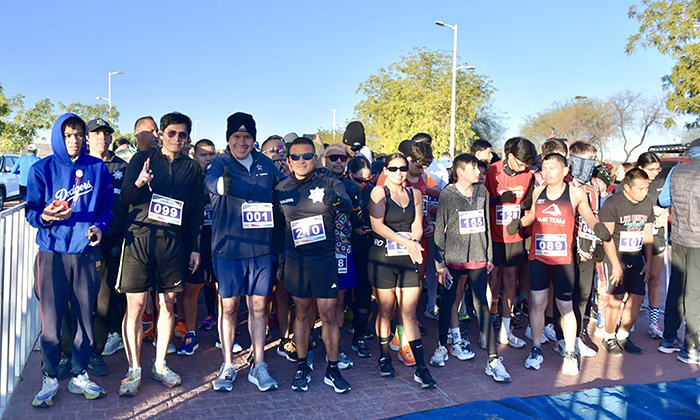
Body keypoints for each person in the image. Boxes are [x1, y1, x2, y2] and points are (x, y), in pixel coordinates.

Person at [27, 113, 113, 407]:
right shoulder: (41, 169)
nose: (74, 140)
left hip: (87, 255)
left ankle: (79, 373)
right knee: (50, 322)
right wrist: (46, 216)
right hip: (51, 254)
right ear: (57, 137)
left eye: (78, 134)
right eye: (67, 135)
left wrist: (99, 228)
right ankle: (50, 377)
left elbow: (106, 207)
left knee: (85, 319)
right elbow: (31, 212)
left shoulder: (98, 168)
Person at [117, 112, 204, 396]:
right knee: (137, 306)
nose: (177, 139)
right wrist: (139, 182)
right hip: (140, 241)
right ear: (161, 135)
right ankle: (134, 369)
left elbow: (193, 213)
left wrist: (194, 247)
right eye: (172, 133)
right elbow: (125, 199)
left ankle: (160, 364)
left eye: (182, 135)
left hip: (172, 243)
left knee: (167, 304)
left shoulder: (192, 169)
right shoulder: (142, 160)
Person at [508, 153, 608, 376]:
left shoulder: (575, 193)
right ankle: (536, 349)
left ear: (565, 171)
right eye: (544, 168)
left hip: (563, 261)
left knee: (565, 306)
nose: (546, 172)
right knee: (538, 304)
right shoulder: (538, 191)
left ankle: (570, 352)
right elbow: (533, 215)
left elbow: (589, 217)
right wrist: (519, 223)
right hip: (539, 258)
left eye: (552, 168)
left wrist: (598, 228)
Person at [205, 113, 284, 392]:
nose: (242, 142)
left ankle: (259, 364)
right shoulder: (219, 163)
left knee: (260, 306)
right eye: (237, 137)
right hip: (228, 249)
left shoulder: (265, 164)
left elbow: (285, 189)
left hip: (261, 249)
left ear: (254, 139)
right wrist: (219, 186)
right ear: (228, 139)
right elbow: (211, 183)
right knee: (229, 307)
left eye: (247, 137)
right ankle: (227, 364)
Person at [274, 137, 353, 393]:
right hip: (297, 262)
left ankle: (332, 368)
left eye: (307, 156)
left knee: (328, 314)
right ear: (288, 161)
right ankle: (301, 365)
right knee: (303, 313)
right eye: (295, 157)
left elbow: (349, 205)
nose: (301, 161)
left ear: (316, 158)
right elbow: (276, 228)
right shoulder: (281, 189)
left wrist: (338, 201)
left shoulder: (330, 182)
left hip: (324, 260)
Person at [432, 153, 511, 383]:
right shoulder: (448, 194)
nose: (478, 171)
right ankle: (441, 346)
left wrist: (488, 256)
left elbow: (485, 224)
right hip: (453, 260)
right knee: (447, 303)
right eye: (473, 167)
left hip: (478, 258)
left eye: (479, 167)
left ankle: (493, 359)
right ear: (459, 172)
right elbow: (439, 231)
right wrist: (440, 265)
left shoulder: (482, 192)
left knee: (482, 305)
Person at [368, 152, 436, 389]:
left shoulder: (415, 193)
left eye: (403, 169)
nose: (399, 173)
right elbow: (376, 225)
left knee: (409, 312)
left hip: (408, 258)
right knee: (386, 309)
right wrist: (406, 242)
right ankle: (384, 356)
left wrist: (413, 241)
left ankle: (421, 367)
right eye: (394, 168)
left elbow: (417, 225)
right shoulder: (379, 192)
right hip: (383, 258)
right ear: (385, 170)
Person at [484, 137, 537, 349]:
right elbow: (479, 202)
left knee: (510, 280)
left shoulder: (529, 176)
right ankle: (486, 329)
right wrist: (497, 201)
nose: (523, 167)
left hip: (514, 236)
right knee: (493, 279)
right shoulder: (492, 171)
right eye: (520, 163)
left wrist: (521, 221)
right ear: (510, 156)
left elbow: (530, 206)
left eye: (527, 164)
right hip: (493, 236)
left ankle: (505, 330)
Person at [85, 118, 128, 375]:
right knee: (77, 299)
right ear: (88, 137)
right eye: (96, 133)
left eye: (106, 133)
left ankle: (102, 343)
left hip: (112, 240)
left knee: (108, 295)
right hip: (81, 243)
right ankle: (73, 348)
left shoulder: (122, 166)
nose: (102, 137)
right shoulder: (78, 165)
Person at [599, 168, 654, 357]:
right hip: (617, 257)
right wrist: (615, 264)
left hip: (636, 258)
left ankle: (623, 335)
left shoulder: (647, 204)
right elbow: (606, 237)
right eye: (640, 189)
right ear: (627, 187)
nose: (644, 192)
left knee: (637, 297)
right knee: (616, 298)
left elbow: (647, 234)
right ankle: (608, 337)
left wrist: (648, 262)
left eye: (647, 188)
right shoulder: (612, 204)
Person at [657, 138, 700, 364]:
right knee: (696, 293)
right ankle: (691, 347)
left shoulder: (676, 170)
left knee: (676, 288)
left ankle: (669, 338)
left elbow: (664, 200)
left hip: (680, 237)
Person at [322, 144, 363, 368]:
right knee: (310, 304)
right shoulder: (313, 182)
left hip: (343, 251)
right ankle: (307, 347)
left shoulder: (352, 187)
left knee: (339, 302)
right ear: (323, 159)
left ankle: (335, 348)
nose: (338, 161)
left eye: (343, 158)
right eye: (333, 157)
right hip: (316, 252)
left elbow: (359, 219)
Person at [176, 139, 217, 356]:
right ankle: (190, 332)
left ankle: (224, 332)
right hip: (195, 243)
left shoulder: (221, 179)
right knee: (192, 289)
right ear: (194, 156)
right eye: (203, 155)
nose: (208, 159)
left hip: (217, 242)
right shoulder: (189, 179)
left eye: (211, 155)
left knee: (221, 289)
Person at [636, 152, 667, 339]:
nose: (655, 173)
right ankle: (626, 319)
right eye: (651, 169)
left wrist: (665, 214)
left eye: (658, 169)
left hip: (657, 237)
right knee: (634, 280)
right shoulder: (632, 183)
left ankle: (653, 322)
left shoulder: (663, 183)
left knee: (655, 279)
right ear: (641, 168)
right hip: (635, 238)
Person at [347, 156, 375, 358]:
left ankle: (360, 336)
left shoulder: (375, 191)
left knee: (365, 290)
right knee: (342, 296)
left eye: (368, 180)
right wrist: (352, 228)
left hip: (368, 247)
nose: (364, 185)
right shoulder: (341, 188)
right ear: (350, 175)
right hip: (344, 248)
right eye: (360, 181)